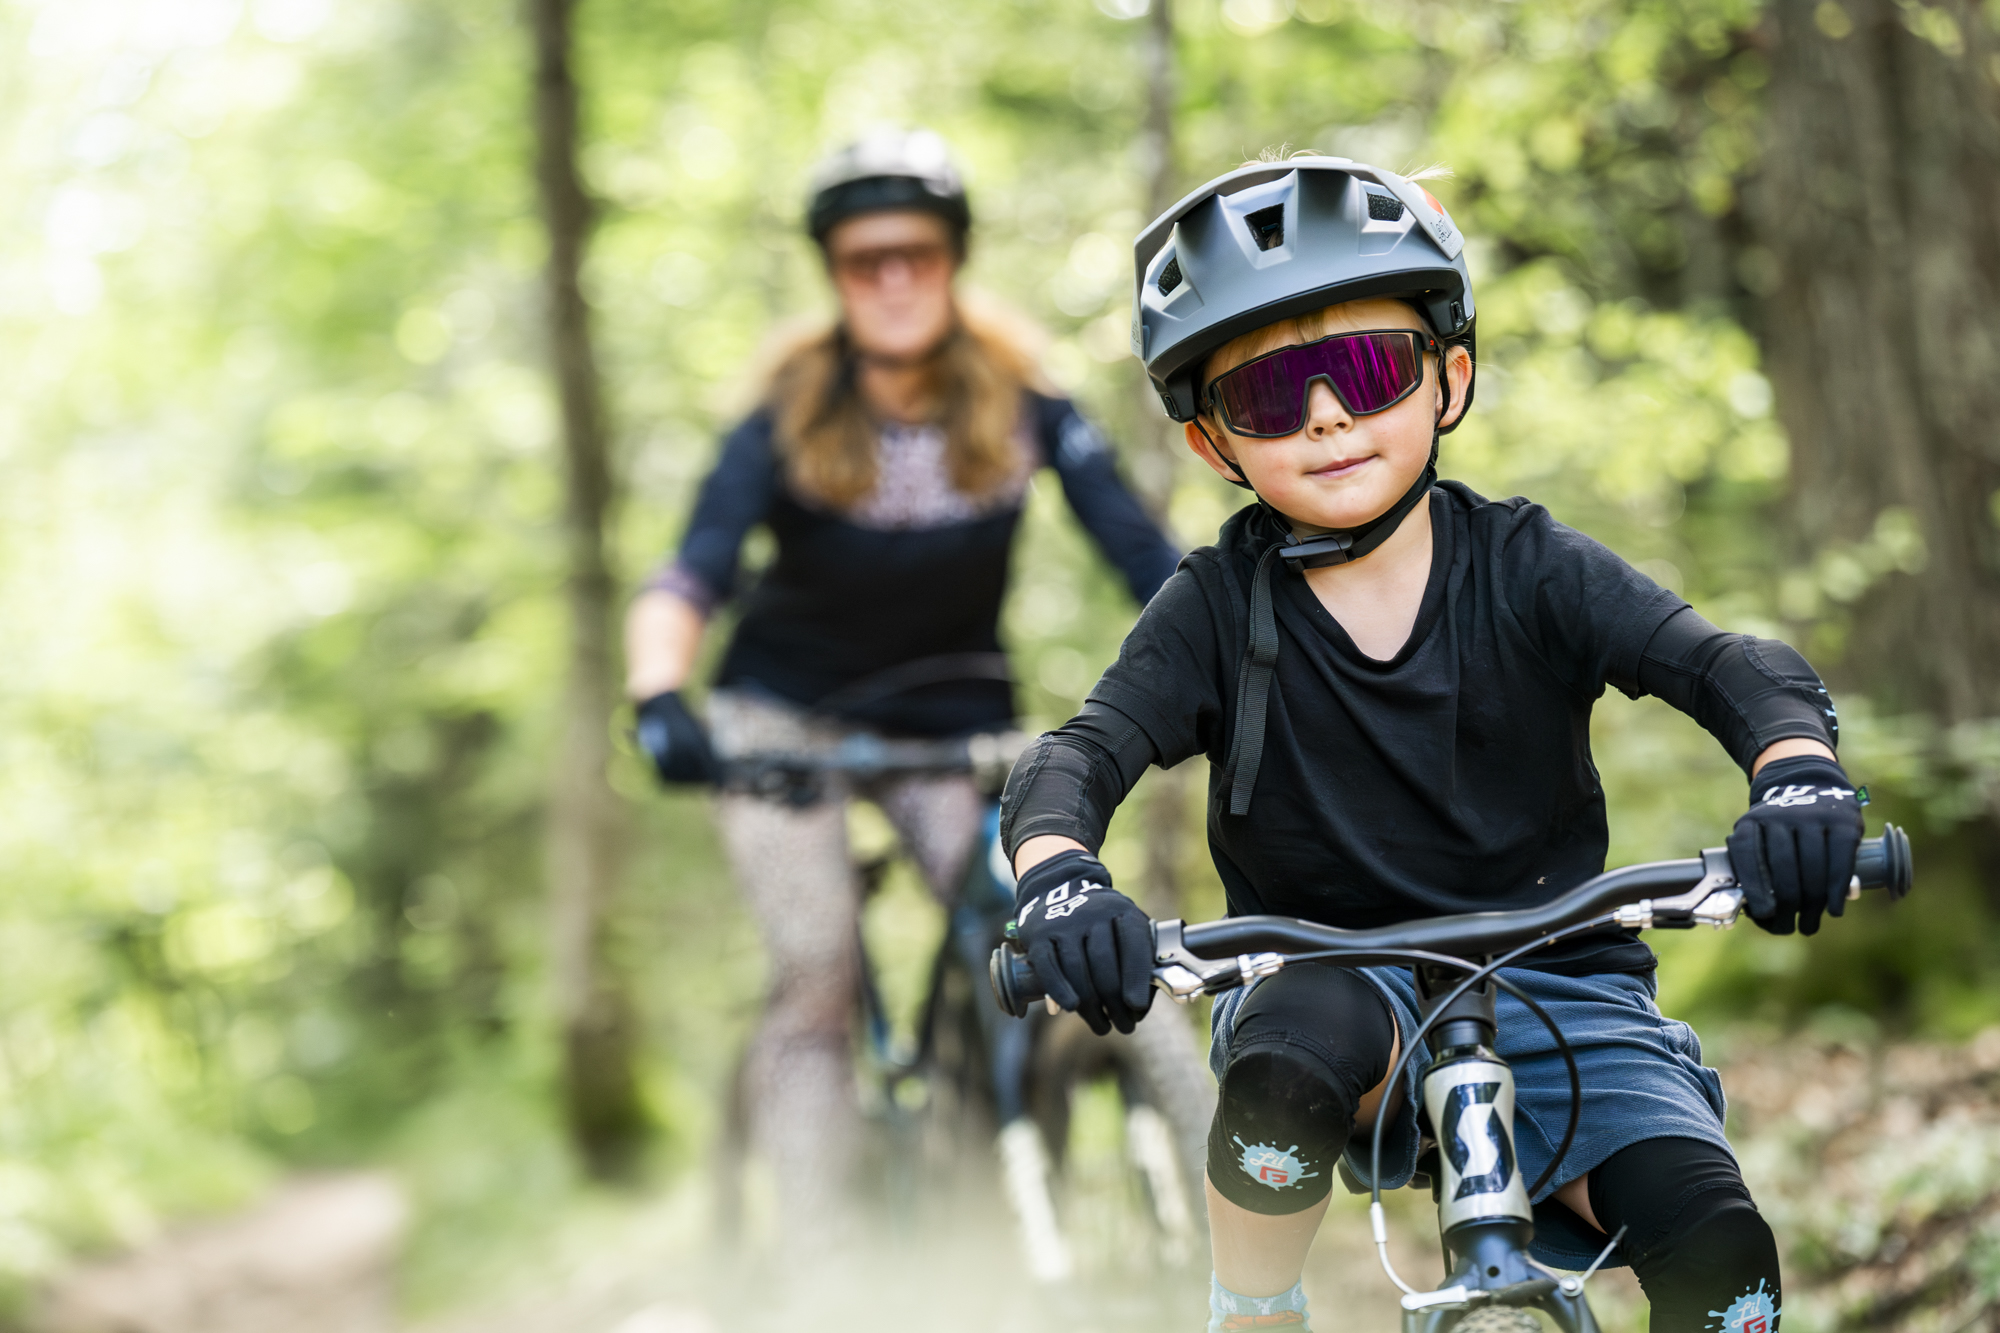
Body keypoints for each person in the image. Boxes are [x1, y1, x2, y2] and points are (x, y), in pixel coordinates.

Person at [999, 157, 1857, 1331]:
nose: (1324, 416)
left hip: (1565, 983)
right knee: (1283, 1066)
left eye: (1362, 368)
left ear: (1447, 378)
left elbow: (1725, 668)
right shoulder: (1213, 605)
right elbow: (1074, 759)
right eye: (1266, 395)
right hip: (1331, 989)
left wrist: (1795, 777)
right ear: (1212, 447)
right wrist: (1057, 879)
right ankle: (1250, 1307)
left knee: (1722, 1252)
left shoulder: (1528, 564)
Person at [624, 128, 1180, 1261]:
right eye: (862, 259)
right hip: (782, 724)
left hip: (951, 726)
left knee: (1034, 924)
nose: (890, 280)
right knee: (816, 965)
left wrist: (1237, 662)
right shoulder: (785, 410)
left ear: (951, 260)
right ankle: (825, 1274)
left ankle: (1014, 1205)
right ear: (832, 273)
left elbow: (1144, 555)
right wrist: (657, 695)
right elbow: (691, 572)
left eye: (913, 254)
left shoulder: (1025, 402)